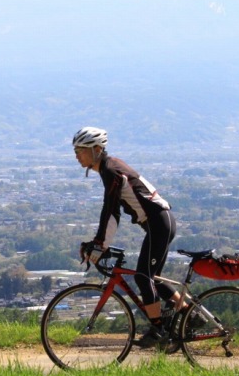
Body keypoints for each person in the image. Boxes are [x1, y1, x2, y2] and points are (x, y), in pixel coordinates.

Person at [73, 126, 182, 348]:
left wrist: (99, 245)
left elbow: (111, 212)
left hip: (159, 223)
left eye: (81, 150)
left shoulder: (111, 170)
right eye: (75, 151)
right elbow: (111, 212)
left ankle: (158, 329)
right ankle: (190, 313)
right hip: (159, 223)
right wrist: (99, 244)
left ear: (96, 149)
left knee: (144, 277)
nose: (76, 155)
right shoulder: (109, 166)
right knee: (154, 278)